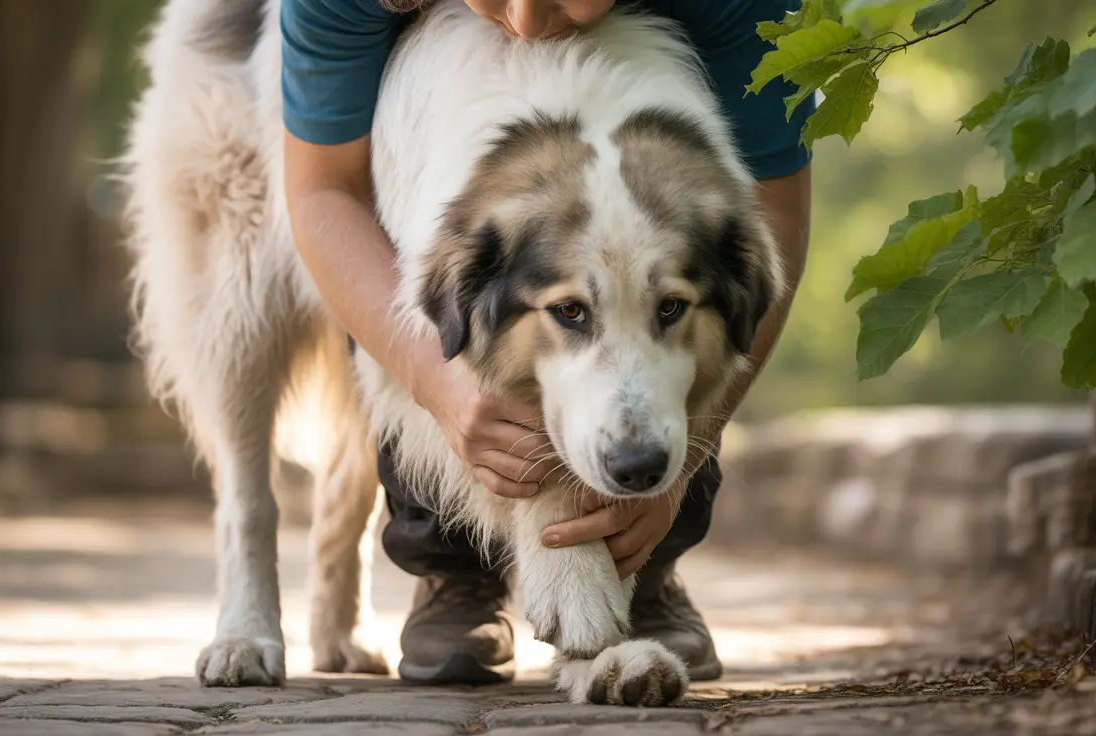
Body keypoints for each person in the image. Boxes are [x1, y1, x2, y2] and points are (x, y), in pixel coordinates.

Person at [280, 0, 814, 686]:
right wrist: (437, 383)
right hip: (411, 135)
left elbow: (771, 218)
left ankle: (648, 565)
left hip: (655, 149)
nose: (527, 20)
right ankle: (450, 563)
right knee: (462, 299)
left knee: (666, 334)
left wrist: (693, 448)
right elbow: (324, 189)